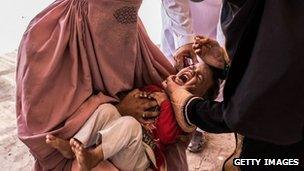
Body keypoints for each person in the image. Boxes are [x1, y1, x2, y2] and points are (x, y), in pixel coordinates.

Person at [15, 0, 190, 170]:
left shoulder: (133, 33)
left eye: (129, 15)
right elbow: (42, 138)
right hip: (77, 155)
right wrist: (119, 108)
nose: (122, 30)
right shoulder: (45, 43)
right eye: (117, 16)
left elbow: (181, 122)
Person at [164, 0, 304, 170]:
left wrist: (189, 107)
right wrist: (227, 67)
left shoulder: (284, 24)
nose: (190, 71)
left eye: (198, 78)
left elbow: (247, 112)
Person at [45, 62, 220, 171]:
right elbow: (134, 100)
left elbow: (167, 136)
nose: (191, 70)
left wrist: (166, 104)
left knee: (130, 124)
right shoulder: (157, 88)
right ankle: (75, 145)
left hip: (139, 157)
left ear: (196, 99)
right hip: (118, 143)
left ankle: (93, 157)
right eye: (192, 66)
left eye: (199, 77)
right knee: (107, 110)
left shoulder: (181, 116)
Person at [160, 0, 222, 152]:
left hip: (221, 18)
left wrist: (224, 61)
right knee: (175, 62)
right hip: (183, 16)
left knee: (211, 81)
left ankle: (194, 126)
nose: (191, 73)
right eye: (193, 68)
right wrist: (184, 38)